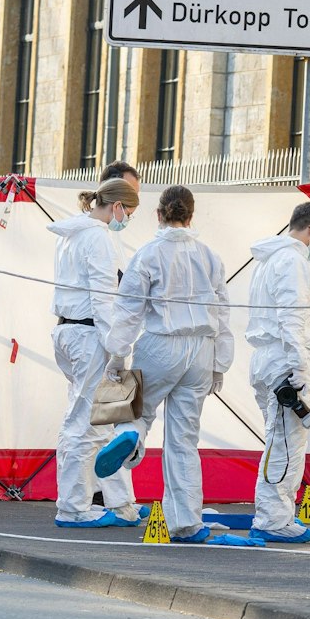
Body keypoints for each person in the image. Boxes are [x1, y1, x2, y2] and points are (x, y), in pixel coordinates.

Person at [94, 185, 234, 543]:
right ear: (191, 216)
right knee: (185, 438)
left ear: (159, 215)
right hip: (201, 349)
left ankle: (131, 434)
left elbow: (128, 311)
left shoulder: (147, 255)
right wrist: (220, 363)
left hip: (161, 343)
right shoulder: (210, 257)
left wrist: (117, 356)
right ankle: (186, 522)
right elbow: (222, 312)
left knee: (134, 410)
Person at [46, 177, 146, 528]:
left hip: (68, 330)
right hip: (91, 334)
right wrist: (119, 351)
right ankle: (73, 507)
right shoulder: (99, 238)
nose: (127, 219)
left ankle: (120, 503)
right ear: (117, 207)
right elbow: (103, 299)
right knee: (87, 423)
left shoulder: (72, 235)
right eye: (129, 212)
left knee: (96, 419)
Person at [246, 200, 310, 543]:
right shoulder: (292, 261)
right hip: (285, 362)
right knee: (286, 444)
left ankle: (274, 514)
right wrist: (300, 363)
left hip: (269, 359)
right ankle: (273, 518)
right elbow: (291, 316)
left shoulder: (269, 260)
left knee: (277, 439)